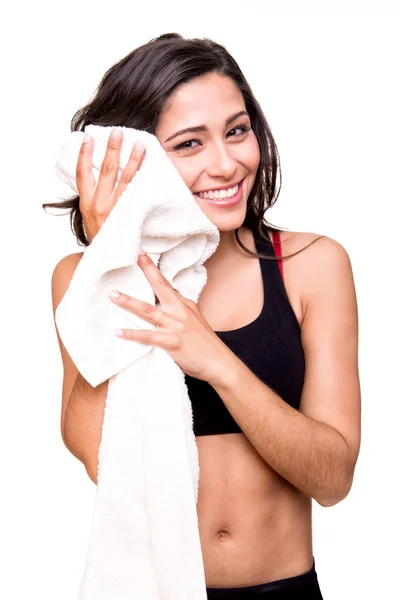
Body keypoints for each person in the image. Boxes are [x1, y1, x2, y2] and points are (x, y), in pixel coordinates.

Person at [45, 32, 361, 599]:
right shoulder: (78, 278)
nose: (226, 163)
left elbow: (333, 478)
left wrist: (218, 362)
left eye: (237, 131)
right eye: (189, 144)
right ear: (133, 158)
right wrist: (113, 263)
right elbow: (100, 459)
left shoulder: (312, 266)